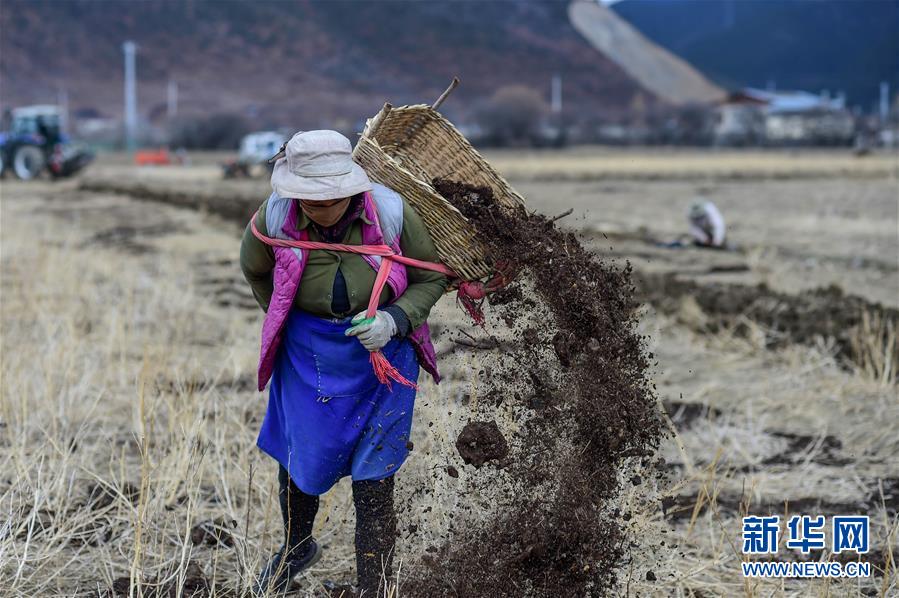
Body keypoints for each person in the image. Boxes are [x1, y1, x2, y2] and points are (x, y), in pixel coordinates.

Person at [240, 130, 448, 596]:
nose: (317, 207)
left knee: (376, 473)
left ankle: (376, 584)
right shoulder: (274, 215)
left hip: (382, 359)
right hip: (307, 355)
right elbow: (254, 268)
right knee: (300, 459)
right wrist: (283, 317)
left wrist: (394, 320)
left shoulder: (391, 213)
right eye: (308, 199)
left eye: (327, 199)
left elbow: (430, 279)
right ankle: (296, 546)